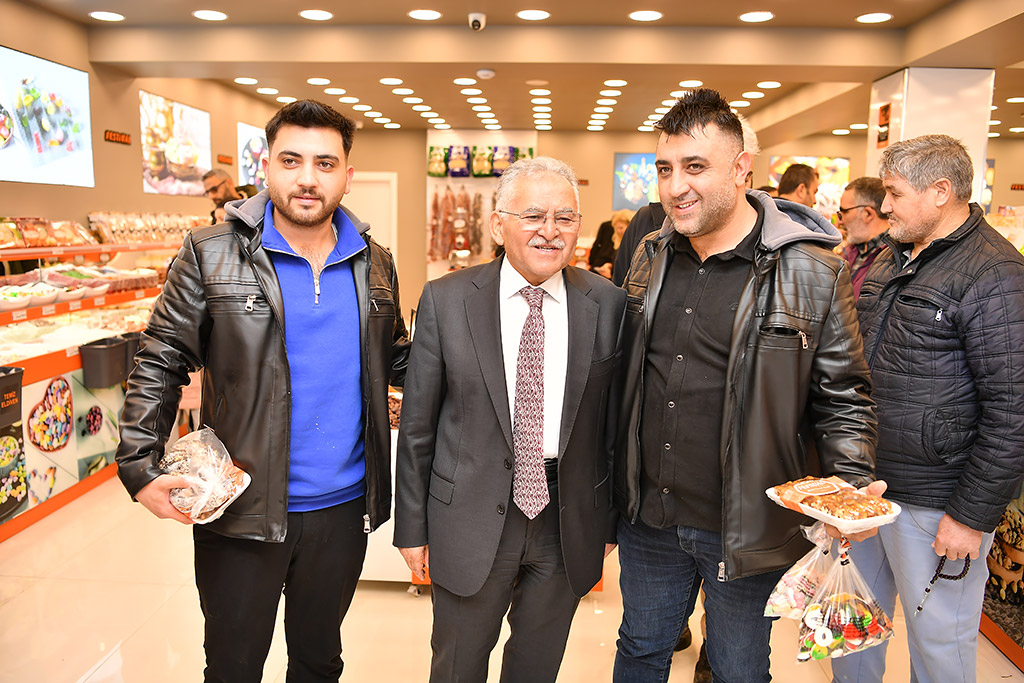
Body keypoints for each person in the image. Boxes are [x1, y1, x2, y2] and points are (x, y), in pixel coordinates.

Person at [116, 99, 410, 683]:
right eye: (291, 160)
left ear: (347, 175)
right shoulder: (210, 252)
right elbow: (162, 357)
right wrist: (138, 465)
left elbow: (396, 356)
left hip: (343, 508)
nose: (307, 178)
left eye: (325, 163)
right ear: (266, 167)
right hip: (241, 506)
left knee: (319, 661)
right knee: (233, 665)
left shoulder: (374, 261)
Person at [612, 88, 880, 682]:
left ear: (740, 169)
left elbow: (842, 396)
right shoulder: (651, 256)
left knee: (738, 667)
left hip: (745, 523)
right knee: (641, 649)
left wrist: (852, 486)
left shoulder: (812, 271)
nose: (675, 186)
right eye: (665, 169)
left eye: (695, 167)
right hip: (649, 516)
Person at [394, 156, 626, 682]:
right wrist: (412, 527)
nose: (550, 231)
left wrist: (608, 520)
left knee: (537, 668)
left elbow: (613, 426)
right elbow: (418, 427)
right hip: (468, 516)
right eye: (533, 216)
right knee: (457, 666)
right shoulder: (447, 299)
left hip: (565, 518)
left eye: (565, 217)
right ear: (499, 225)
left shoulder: (608, 304)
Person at [831, 135, 1024, 683]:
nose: (884, 205)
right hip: (868, 490)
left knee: (939, 646)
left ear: (940, 192)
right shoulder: (892, 255)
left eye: (894, 193)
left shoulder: (995, 273)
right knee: (850, 633)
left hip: (938, 504)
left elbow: (1013, 409)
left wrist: (971, 516)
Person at [837, 176, 889, 298]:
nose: (840, 221)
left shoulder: (895, 258)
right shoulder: (849, 252)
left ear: (868, 213)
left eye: (845, 212)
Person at [589, 208, 635, 278]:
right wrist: (609, 265)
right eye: (617, 228)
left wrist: (611, 276)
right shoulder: (618, 243)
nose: (619, 231)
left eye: (621, 228)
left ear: (630, 226)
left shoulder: (633, 245)